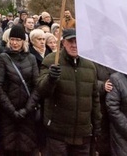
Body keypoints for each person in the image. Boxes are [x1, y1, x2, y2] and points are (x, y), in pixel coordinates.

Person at [36, 28, 100, 156]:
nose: (74, 45)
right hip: (58, 134)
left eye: (78, 41)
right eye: (71, 41)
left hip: (83, 135)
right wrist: (51, 78)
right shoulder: (52, 60)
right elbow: (42, 91)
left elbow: (95, 99)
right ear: (63, 42)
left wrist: (97, 127)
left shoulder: (90, 66)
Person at [0, 24, 39, 156]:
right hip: (8, 113)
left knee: (27, 148)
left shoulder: (31, 58)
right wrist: (11, 110)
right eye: (12, 39)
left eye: (18, 40)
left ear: (23, 41)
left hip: (28, 112)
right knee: (9, 148)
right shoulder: (3, 58)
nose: (15, 43)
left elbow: (36, 86)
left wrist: (27, 109)